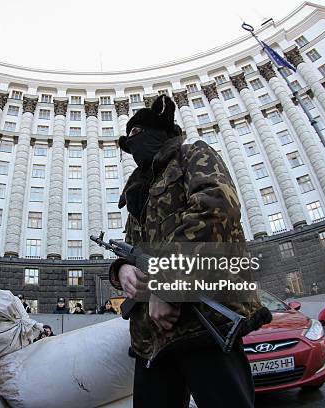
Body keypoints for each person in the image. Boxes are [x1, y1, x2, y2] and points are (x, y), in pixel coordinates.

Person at [108, 95, 270, 408]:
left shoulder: (192, 154)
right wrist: (122, 271)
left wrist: (168, 287)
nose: (133, 146)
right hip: (150, 339)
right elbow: (136, 250)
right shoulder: (137, 190)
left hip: (204, 326)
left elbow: (215, 210)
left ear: (161, 132)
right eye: (129, 143)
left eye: (138, 135)